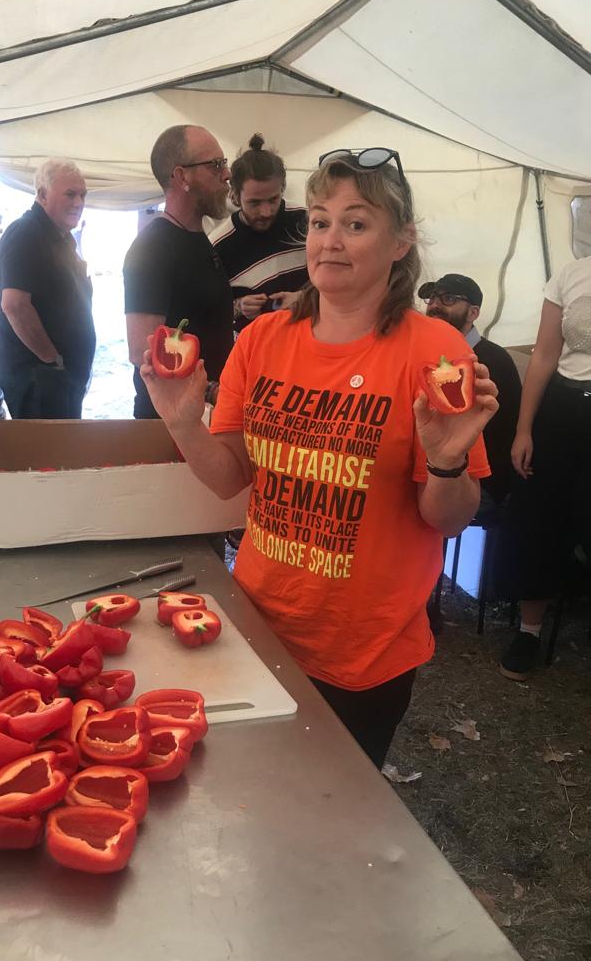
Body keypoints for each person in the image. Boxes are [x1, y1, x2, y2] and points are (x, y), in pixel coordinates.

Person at [139, 148, 498, 769]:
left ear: (401, 242)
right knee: (255, 799)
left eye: (357, 224)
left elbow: (450, 519)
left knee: (335, 819)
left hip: (364, 654)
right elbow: (229, 479)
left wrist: (446, 463)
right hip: (258, 628)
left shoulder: (434, 351)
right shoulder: (263, 340)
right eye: (323, 221)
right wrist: (182, 421)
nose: (331, 241)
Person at [497, 255, 591, 681]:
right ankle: (529, 632)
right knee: (539, 517)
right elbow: (544, 355)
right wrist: (523, 429)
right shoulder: (572, 273)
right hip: (561, 408)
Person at [124, 125, 234, 419]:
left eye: (224, 164)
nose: (226, 174)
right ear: (182, 176)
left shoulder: (196, 237)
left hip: (203, 414)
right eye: (215, 165)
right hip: (172, 422)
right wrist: (211, 391)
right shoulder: (153, 249)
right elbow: (141, 349)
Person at [0, 158, 95, 419]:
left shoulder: (59, 237)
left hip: (54, 378)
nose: (79, 202)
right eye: (70, 194)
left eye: (82, 194)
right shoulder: (26, 233)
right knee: (47, 458)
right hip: (40, 378)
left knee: (62, 456)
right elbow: (14, 305)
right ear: (42, 195)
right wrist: (53, 360)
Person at [420, 273, 521, 510]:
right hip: (426, 471)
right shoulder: (423, 353)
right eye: (432, 298)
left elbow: (504, 434)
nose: (435, 305)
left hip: (477, 483)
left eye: (448, 299)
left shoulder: (494, 361)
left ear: (473, 313)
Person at [210, 133, 308, 333]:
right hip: (258, 350)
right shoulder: (218, 246)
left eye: (273, 199)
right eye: (254, 203)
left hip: (313, 340)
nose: (266, 212)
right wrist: (239, 306)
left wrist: (303, 298)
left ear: (282, 188)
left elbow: (339, 283)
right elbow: (211, 313)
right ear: (235, 196)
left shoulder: (307, 220)